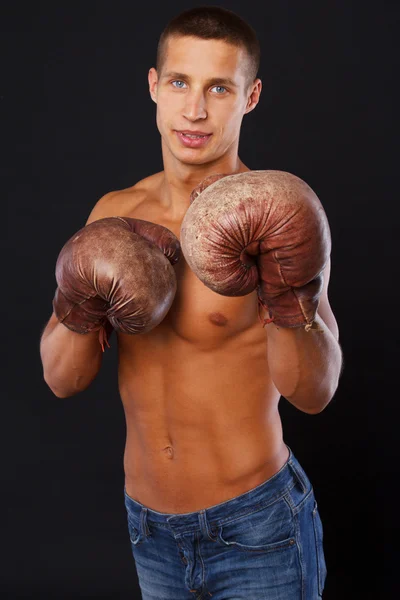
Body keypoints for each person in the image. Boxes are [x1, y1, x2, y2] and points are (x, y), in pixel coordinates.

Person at [40, 6, 343, 599]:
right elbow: (61, 379)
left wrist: (284, 294)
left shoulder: (276, 219)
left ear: (250, 97)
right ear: (154, 86)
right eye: (180, 82)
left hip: (258, 528)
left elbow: (315, 392)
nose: (195, 110)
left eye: (218, 88)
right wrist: (78, 302)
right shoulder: (113, 212)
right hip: (149, 531)